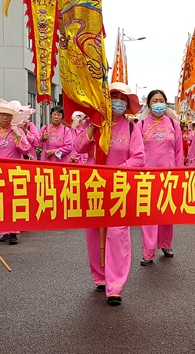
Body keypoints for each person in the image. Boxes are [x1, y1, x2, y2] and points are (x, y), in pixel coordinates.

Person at [74, 82, 145, 305]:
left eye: (123, 98)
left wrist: (118, 170)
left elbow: (139, 157)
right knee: (94, 232)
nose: (118, 101)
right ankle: (100, 277)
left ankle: (115, 285)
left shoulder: (132, 128)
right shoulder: (93, 123)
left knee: (118, 233)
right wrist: (92, 127)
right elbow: (79, 147)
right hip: (94, 186)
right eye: (114, 96)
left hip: (119, 188)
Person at [138, 89, 183, 265]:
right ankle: (148, 252)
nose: (158, 103)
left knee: (166, 212)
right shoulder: (141, 126)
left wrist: (179, 174)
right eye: (155, 100)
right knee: (148, 214)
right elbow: (137, 152)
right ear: (149, 104)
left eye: (161, 100)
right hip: (147, 176)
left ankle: (165, 244)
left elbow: (179, 151)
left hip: (169, 175)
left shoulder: (174, 125)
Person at [0, 99, 31, 244]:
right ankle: (4, 230)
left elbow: (26, 149)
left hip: (14, 172)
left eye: (8, 115)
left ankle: (14, 231)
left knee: (13, 202)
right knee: (0, 203)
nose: (5, 117)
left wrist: (18, 134)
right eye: (2, 115)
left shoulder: (17, 131)